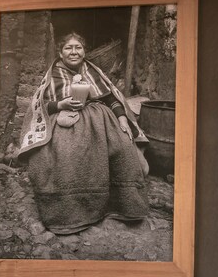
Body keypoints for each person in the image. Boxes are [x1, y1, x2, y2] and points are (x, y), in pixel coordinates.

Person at [16, 32, 150, 235]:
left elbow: (110, 98)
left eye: (78, 47)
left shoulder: (93, 72)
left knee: (123, 145)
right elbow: (39, 106)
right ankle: (69, 215)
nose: (74, 52)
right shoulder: (52, 75)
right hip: (63, 120)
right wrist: (60, 104)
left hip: (100, 120)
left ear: (84, 51)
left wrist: (122, 118)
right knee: (65, 154)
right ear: (60, 53)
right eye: (68, 48)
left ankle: (120, 206)